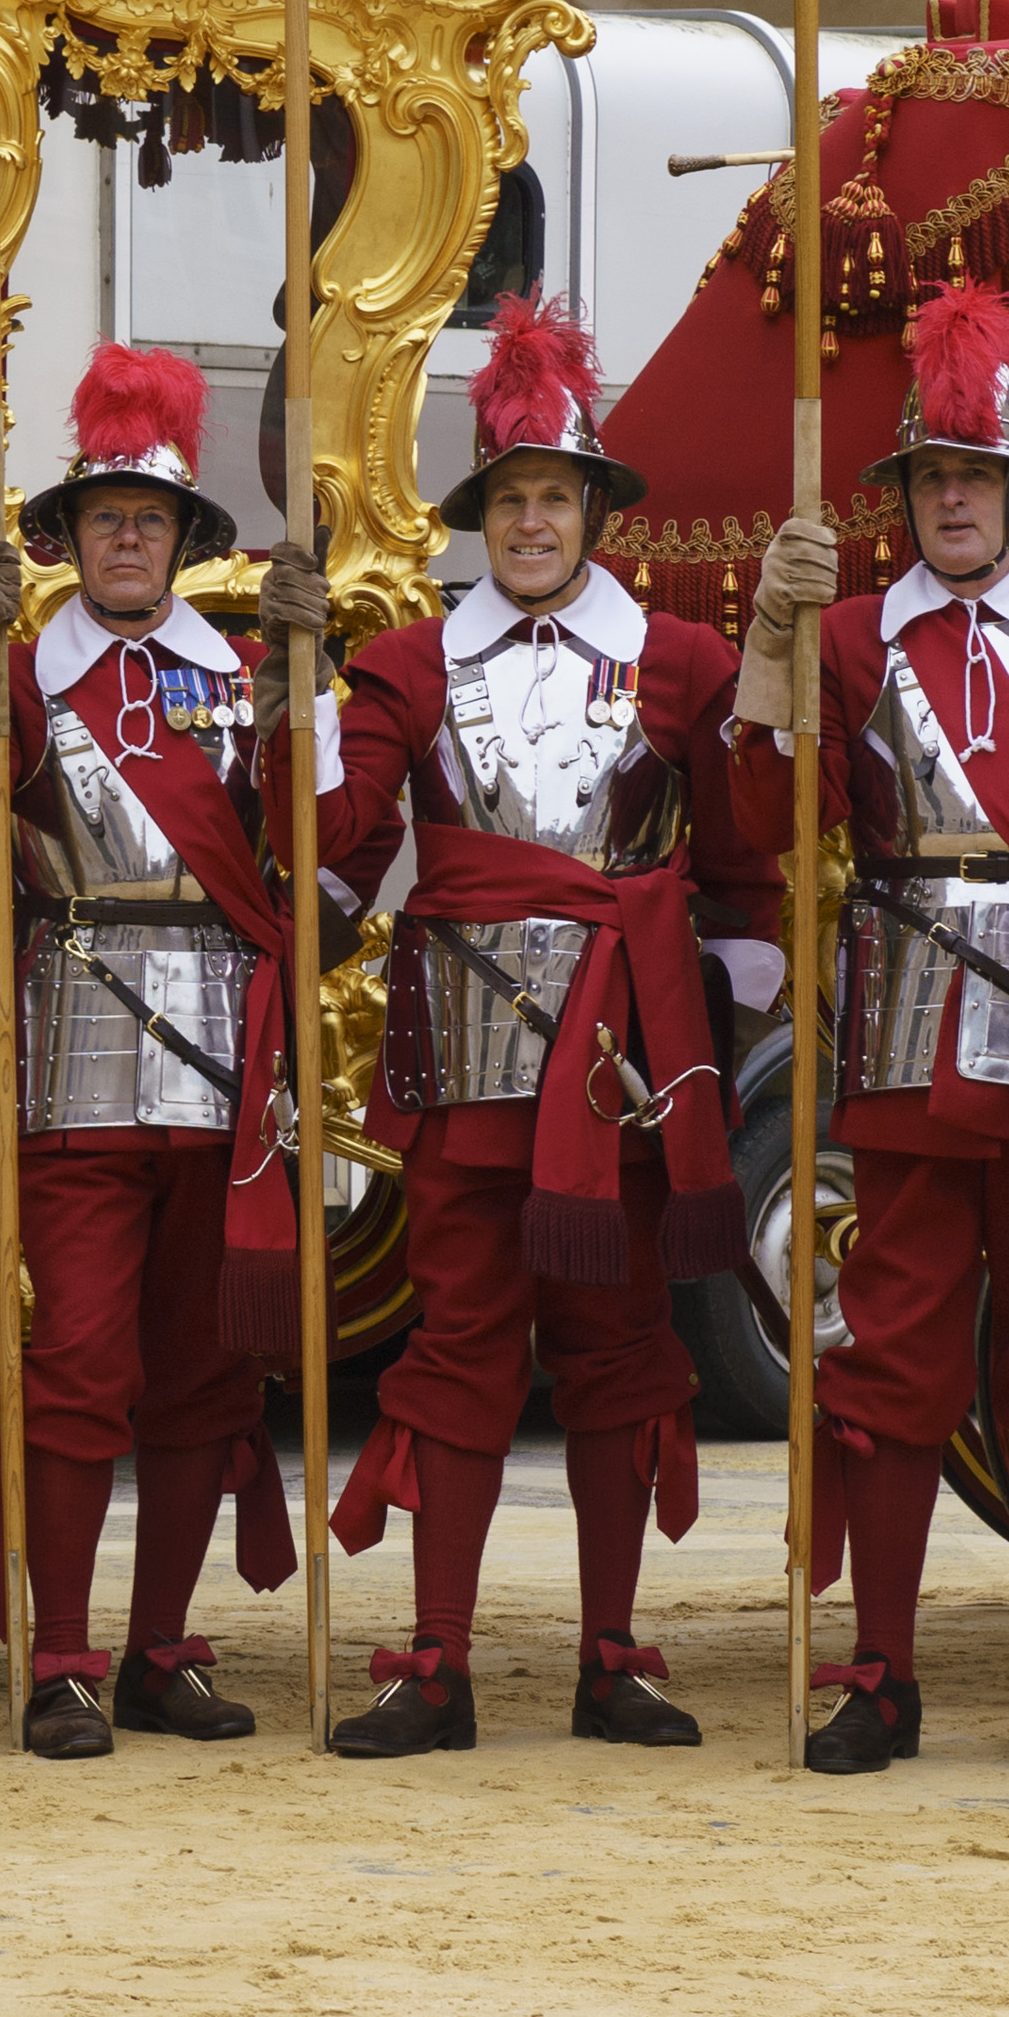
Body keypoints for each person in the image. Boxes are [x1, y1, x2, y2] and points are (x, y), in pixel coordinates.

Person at [310, 293, 781, 1757]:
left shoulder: (685, 662)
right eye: (507, 499)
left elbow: (744, 864)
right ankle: (434, 1666)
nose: (529, 522)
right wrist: (295, 705)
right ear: (478, 516)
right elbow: (338, 836)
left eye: (552, 498)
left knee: (621, 1347)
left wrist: (691, 1017)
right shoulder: (401, 665)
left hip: (619, 1075)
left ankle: (608, 1658)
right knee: (457, 1342)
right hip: (462, 1065)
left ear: (593, 511)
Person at [738, 280, 1009, 1776]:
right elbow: (757, 817)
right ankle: (881, 1675)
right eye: (926, 478)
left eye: (972, 476)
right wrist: (770, 644)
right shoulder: (851, 639)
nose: (949, 501)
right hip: (903, 1036)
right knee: (889, 1363)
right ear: (900, 495)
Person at [0, 346, 334, 1757]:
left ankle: (159, 1650)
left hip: (225, 1072)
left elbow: (320, 861)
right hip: (80, 1057)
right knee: (79, 1366)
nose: (124, 538)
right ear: (67, 535)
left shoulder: (236, 673)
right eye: (101, 516)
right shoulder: (26, 673)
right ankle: (61, 1660)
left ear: (182, 540)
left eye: (147, 519)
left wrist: (303, 683)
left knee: (208, 1381)